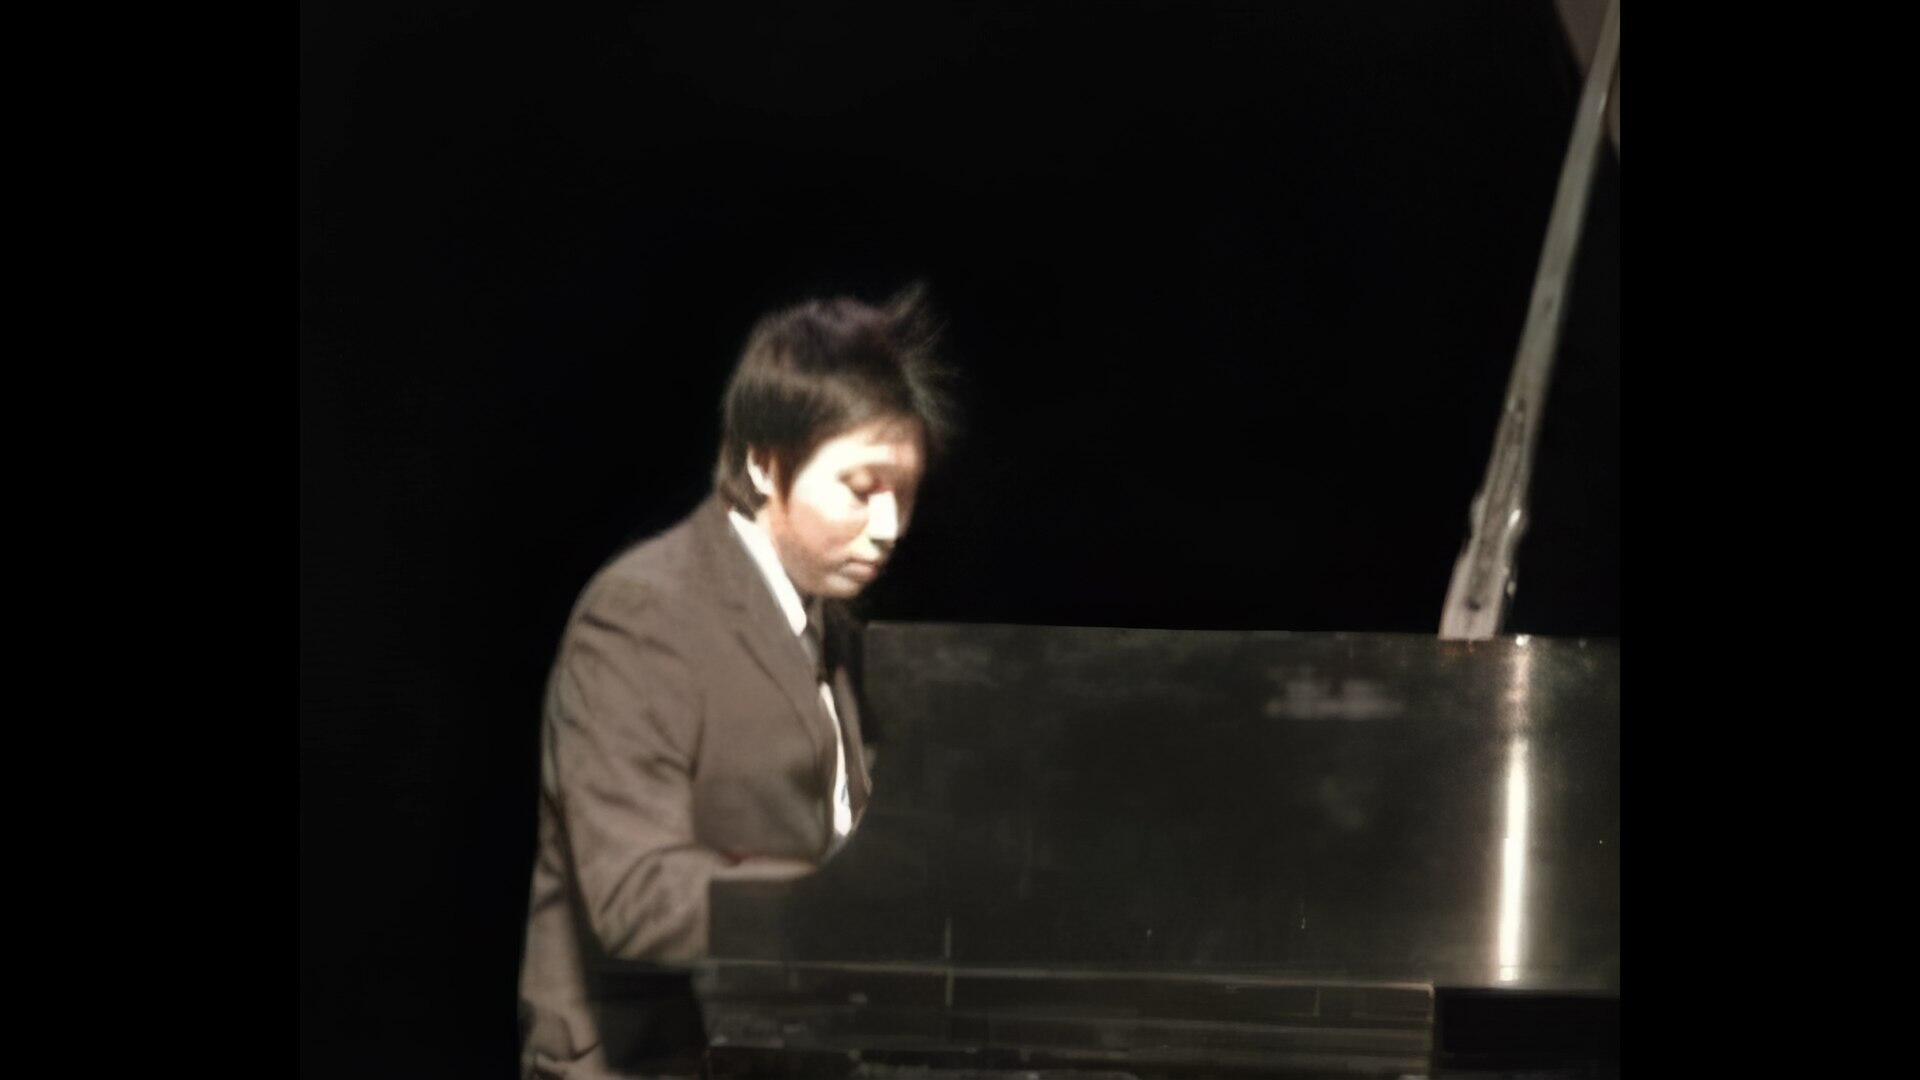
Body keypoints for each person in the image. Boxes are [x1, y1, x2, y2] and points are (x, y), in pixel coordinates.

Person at [517, 286, 955, 1078]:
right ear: (763, 461)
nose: (889, 529)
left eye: (906, 495)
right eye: (861, 490)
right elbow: (636, 894)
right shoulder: (643, 613)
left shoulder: (832, 630)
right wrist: (843, 907)